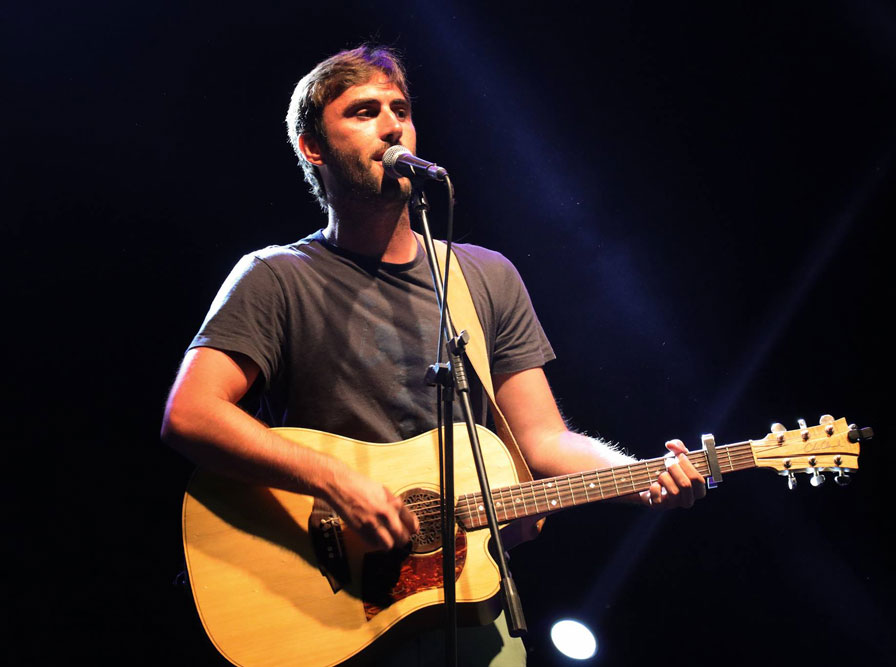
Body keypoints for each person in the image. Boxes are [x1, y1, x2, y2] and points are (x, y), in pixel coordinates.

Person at [161, 44, 706, 666]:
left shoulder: (484, 277)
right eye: (364, 111)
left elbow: (545, 441)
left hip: (472, 610)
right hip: (331, 609)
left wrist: (635, 474)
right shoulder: (277, 277)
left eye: (401, 109)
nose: (393, 125)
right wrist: (338, 483)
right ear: (314, 147)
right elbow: (192, 415)